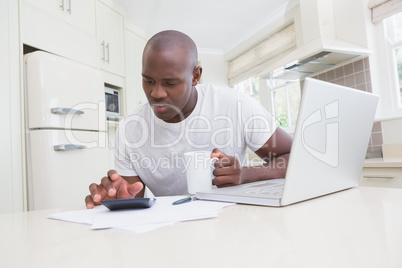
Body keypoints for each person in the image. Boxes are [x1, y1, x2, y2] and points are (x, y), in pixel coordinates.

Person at [85, 30, 292, 209]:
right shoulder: (130, 130)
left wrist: (246, 175)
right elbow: (132, 198)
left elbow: (294, 156)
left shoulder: (234, 104)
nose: (156, 93)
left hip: (231, 226)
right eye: (148, 80)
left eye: (170, 83)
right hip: (171, 233)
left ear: (195, 76)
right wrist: (117, 199)